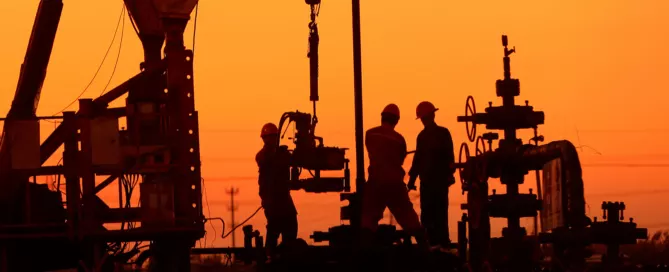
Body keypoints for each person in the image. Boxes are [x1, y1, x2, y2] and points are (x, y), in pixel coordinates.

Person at [361, 103, 427, 248]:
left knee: (368, 219)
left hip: (375, 182)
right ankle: (425, 249)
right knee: (409, 218)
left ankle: (362, 254)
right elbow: (400, 159)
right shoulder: (399, 139)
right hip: (394, 184)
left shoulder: (369, 134)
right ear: (396, 121)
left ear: (382, 117)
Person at [407, 101, 456, 250]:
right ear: (433, 115)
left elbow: (418, 161)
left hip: (428, 183)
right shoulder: (443, 133)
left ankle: (431, 245)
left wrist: (411, 181)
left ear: (422, 118)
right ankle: (442, 243)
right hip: (439, 182)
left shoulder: (422, 137)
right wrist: (449, 174)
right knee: (440, 213)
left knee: (428, 215)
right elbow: (450, 158)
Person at [256, 123, 298, 258]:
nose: (273, 140)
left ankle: (285, 255)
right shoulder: (263, 156)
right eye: (270, 137)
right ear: (264, 139)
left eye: (275, 137)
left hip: (284, 199)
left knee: (291, 227)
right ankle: (270, 256)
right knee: (274, 229)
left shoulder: (281, 154)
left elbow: (292, 160)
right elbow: (267, 160)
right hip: (272, 201)